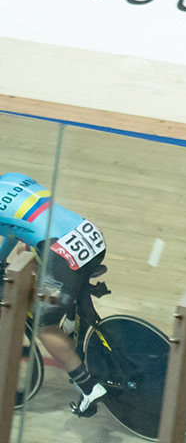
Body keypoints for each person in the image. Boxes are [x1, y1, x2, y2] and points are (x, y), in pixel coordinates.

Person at [0, 171, 111, 416]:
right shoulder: (12, 178)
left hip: (62, 255)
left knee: (44, 324)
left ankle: (88, 387)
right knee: (32, 256)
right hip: (90, 233)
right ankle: (70, 319)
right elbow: (11, 229)